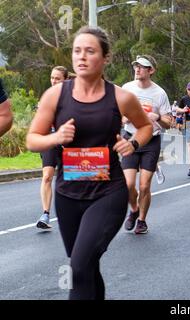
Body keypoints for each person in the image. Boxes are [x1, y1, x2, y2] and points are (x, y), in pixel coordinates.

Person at [26, 26, 153, 299]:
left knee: (78, 266)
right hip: (68, 194)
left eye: (90, 51)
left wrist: (132, 144)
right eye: (77, 51)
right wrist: (56, 137)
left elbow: (145, 127)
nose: (81, 57)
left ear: (105, 58)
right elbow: (32, 139)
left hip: (107, 192)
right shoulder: (55, 95)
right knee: (86, 267)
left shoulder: (121, 97)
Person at [122, 54, 173, 234]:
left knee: (144, 185)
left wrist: (157, 116)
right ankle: (134, 211)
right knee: (128, 184)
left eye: (142, 67)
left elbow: (169, 122)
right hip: (130, 138)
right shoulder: (127, 88)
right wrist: (123, 118)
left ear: (151, 70)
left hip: (151, 141)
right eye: (136, 66)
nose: (137, 69)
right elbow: (117, 112)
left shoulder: (159, 93)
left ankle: (142, 221)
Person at [36, 66, 69, 229]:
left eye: (57, 78)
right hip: (49, 140)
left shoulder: (72, 98)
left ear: (65, 80)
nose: (54, 81)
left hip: (69, 144)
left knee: (68, 179)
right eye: (52, 78)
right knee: (47, 175)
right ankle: (45, 214)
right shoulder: (46, 98)